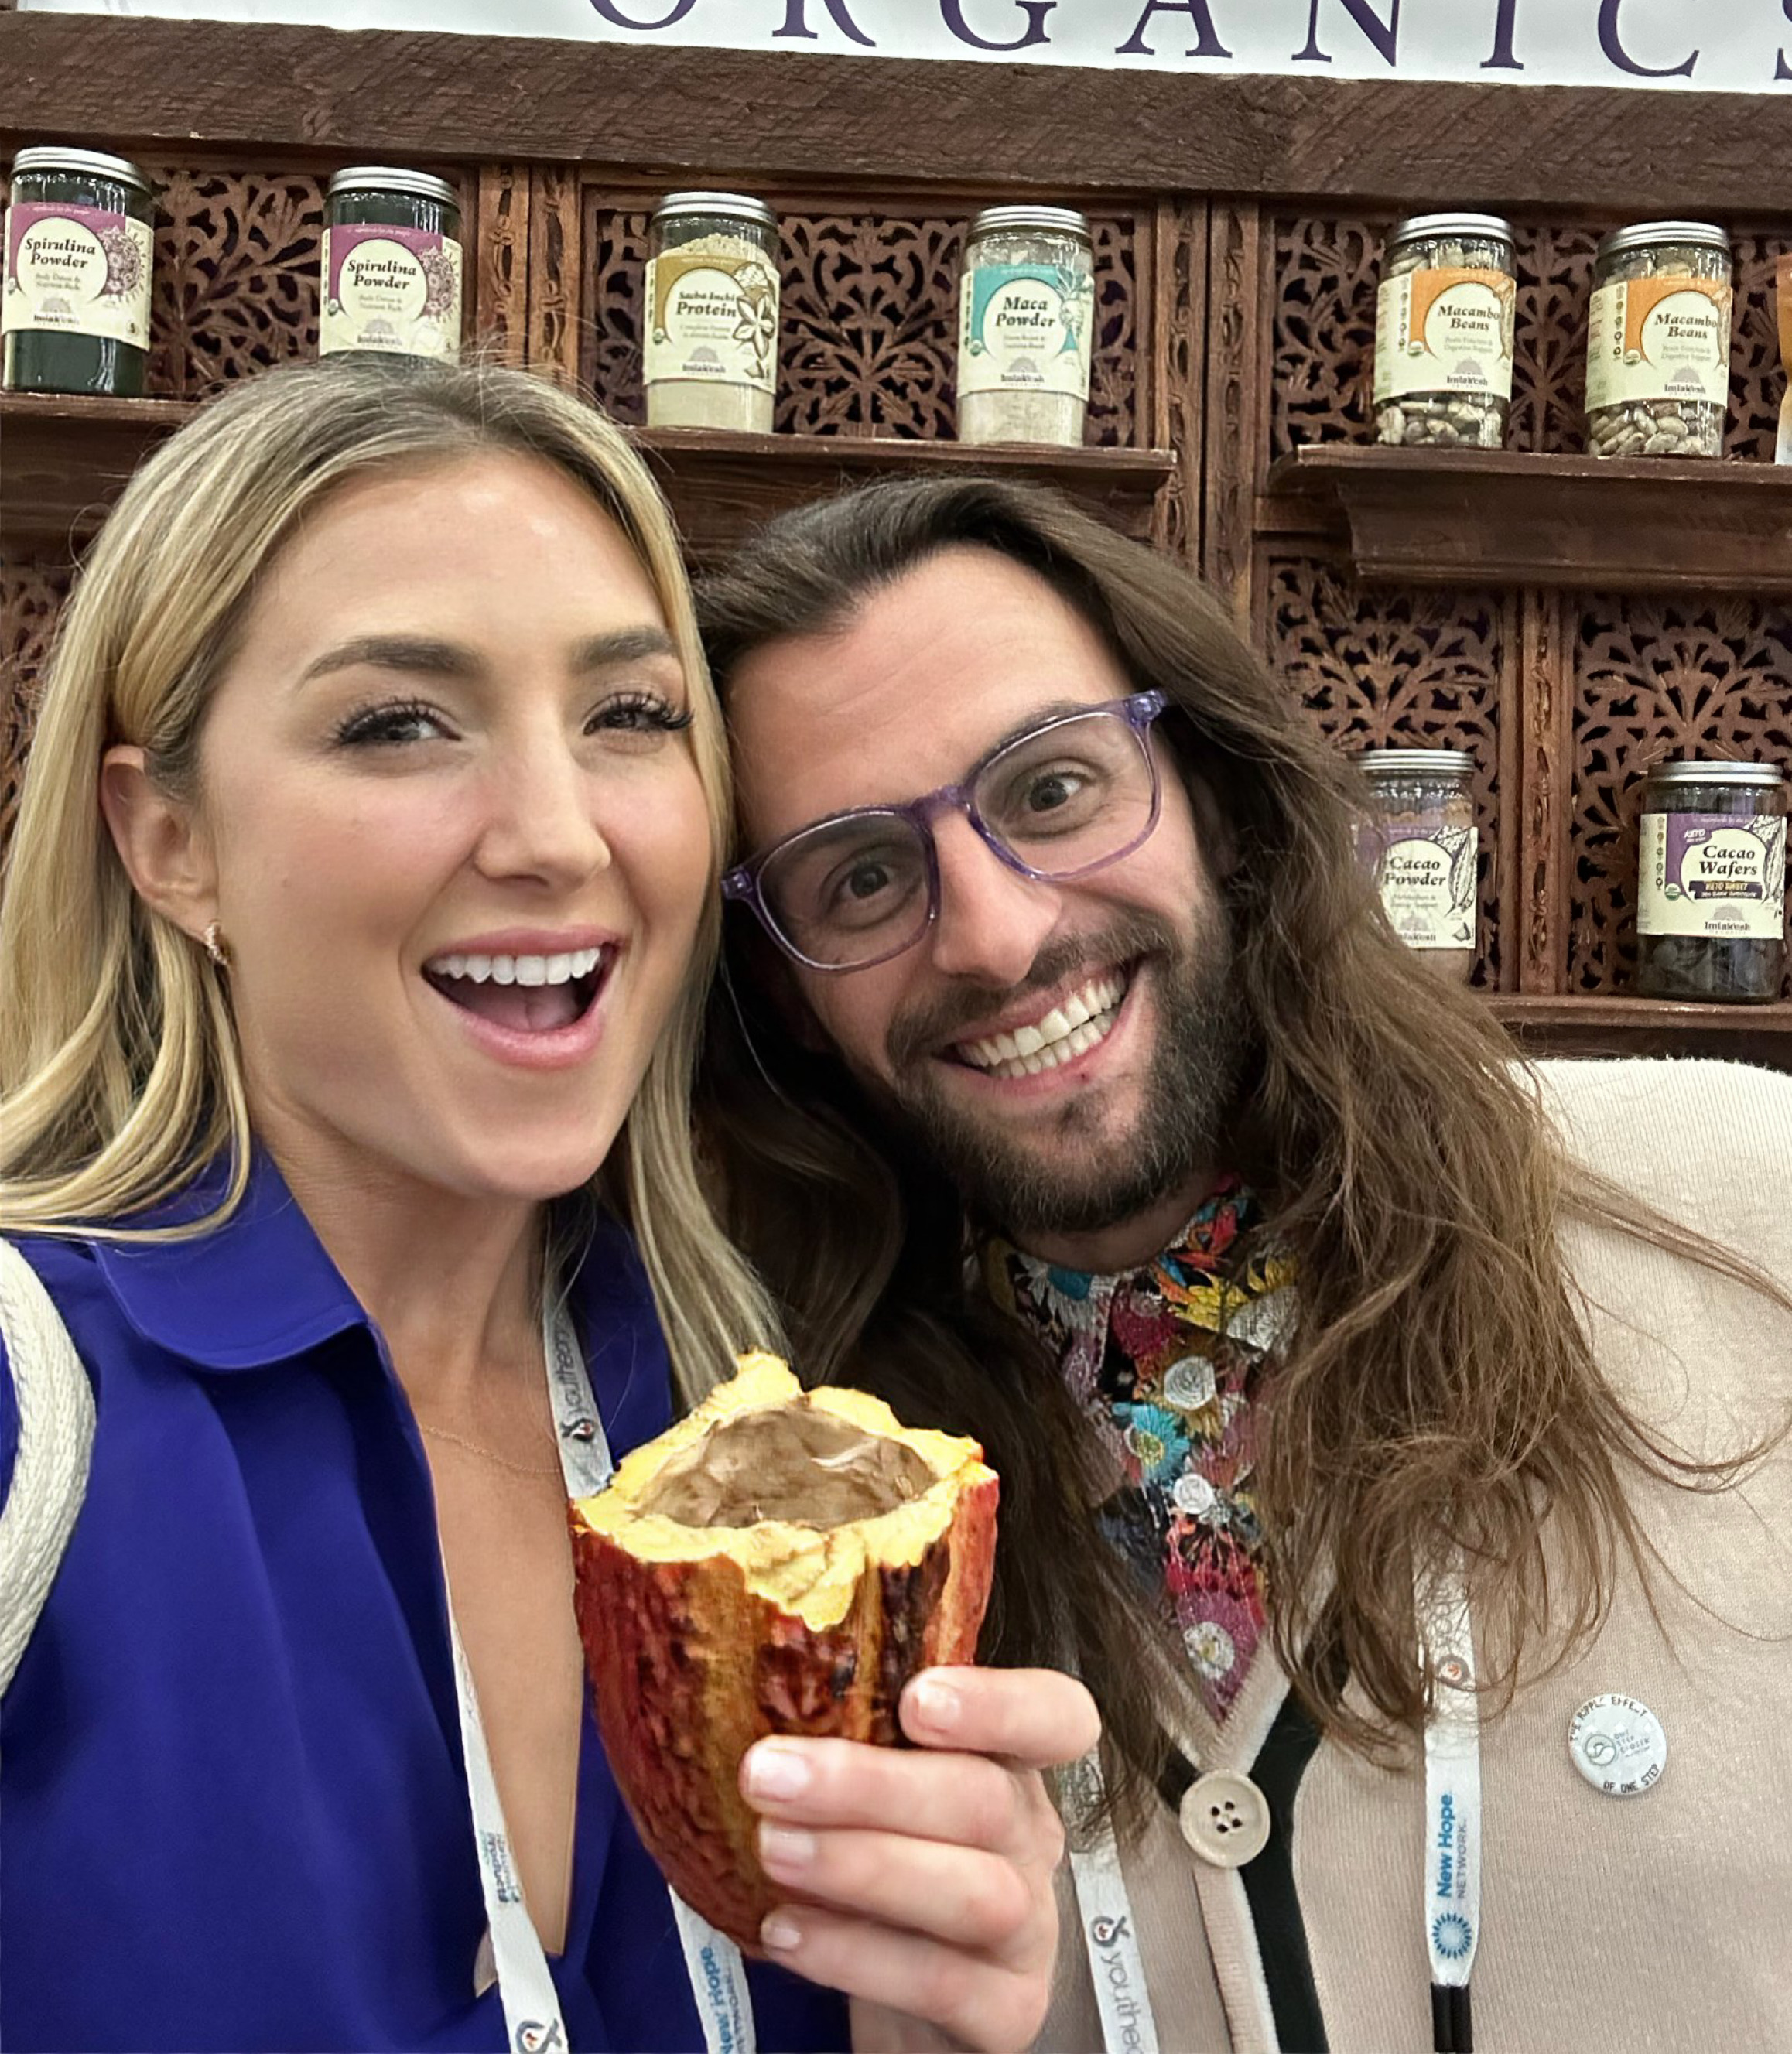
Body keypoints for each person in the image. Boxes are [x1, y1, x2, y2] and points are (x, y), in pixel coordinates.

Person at [0, 367, 1092, 2054]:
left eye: (630, 714)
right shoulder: (31, 1415)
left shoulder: (751, 1424)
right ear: (168, 840)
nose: (558, 834)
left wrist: (928, 2029)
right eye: (398, 724)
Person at [694, 471, 1792, 2054]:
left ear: (1212, 792)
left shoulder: (1744, 1203)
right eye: (861, 876)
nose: (994, 935)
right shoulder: (800, 1519)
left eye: (1053, 789)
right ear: (786, 995)